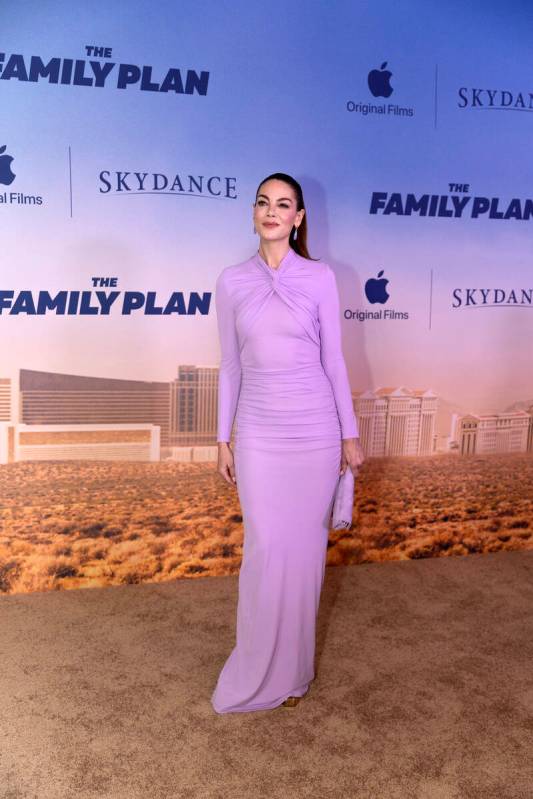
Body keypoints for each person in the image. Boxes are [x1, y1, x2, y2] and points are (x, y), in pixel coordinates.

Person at [211, 172, 365, 714]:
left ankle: (293, 676)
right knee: (264, 550)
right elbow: (230, 366)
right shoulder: (231, 281)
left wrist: (349, 432)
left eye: (284, 204)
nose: (271, 211)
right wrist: (221, 437)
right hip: (257, 433)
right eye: (263, 202)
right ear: (254, 213)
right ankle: (255, 667)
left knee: (303, 558)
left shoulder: (321, 278)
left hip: (315, 432)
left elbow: (334, 361)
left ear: (299, 218)